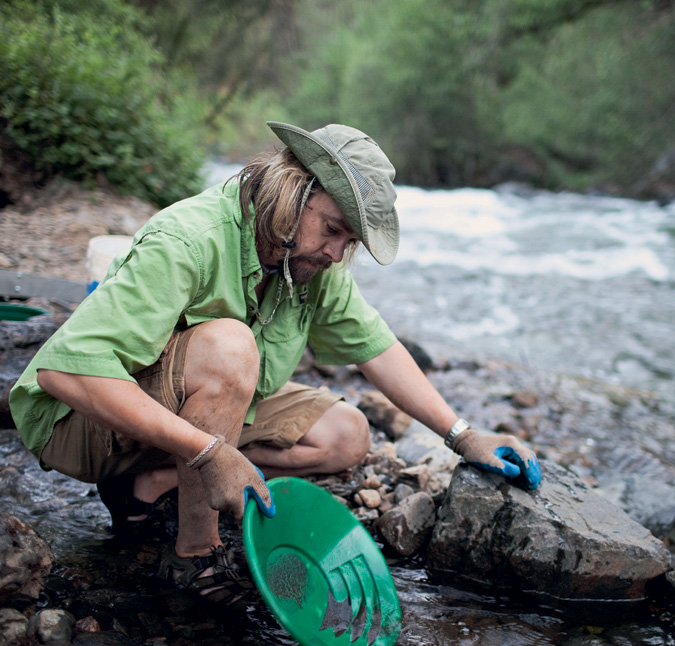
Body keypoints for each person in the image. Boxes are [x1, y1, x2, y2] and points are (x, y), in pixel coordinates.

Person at [9, 121, 540, 606]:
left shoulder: (307, 262)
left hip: (170, 424)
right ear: (292, 189)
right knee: (230, 348)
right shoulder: (190, 239)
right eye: (332, 229)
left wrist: (462, 434)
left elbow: (378, 348)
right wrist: (208, 449)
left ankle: (150, 484)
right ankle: (193, 553)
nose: (336, 253)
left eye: (349, 241)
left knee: (347, 433)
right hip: (78, 425)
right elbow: (67, 372)